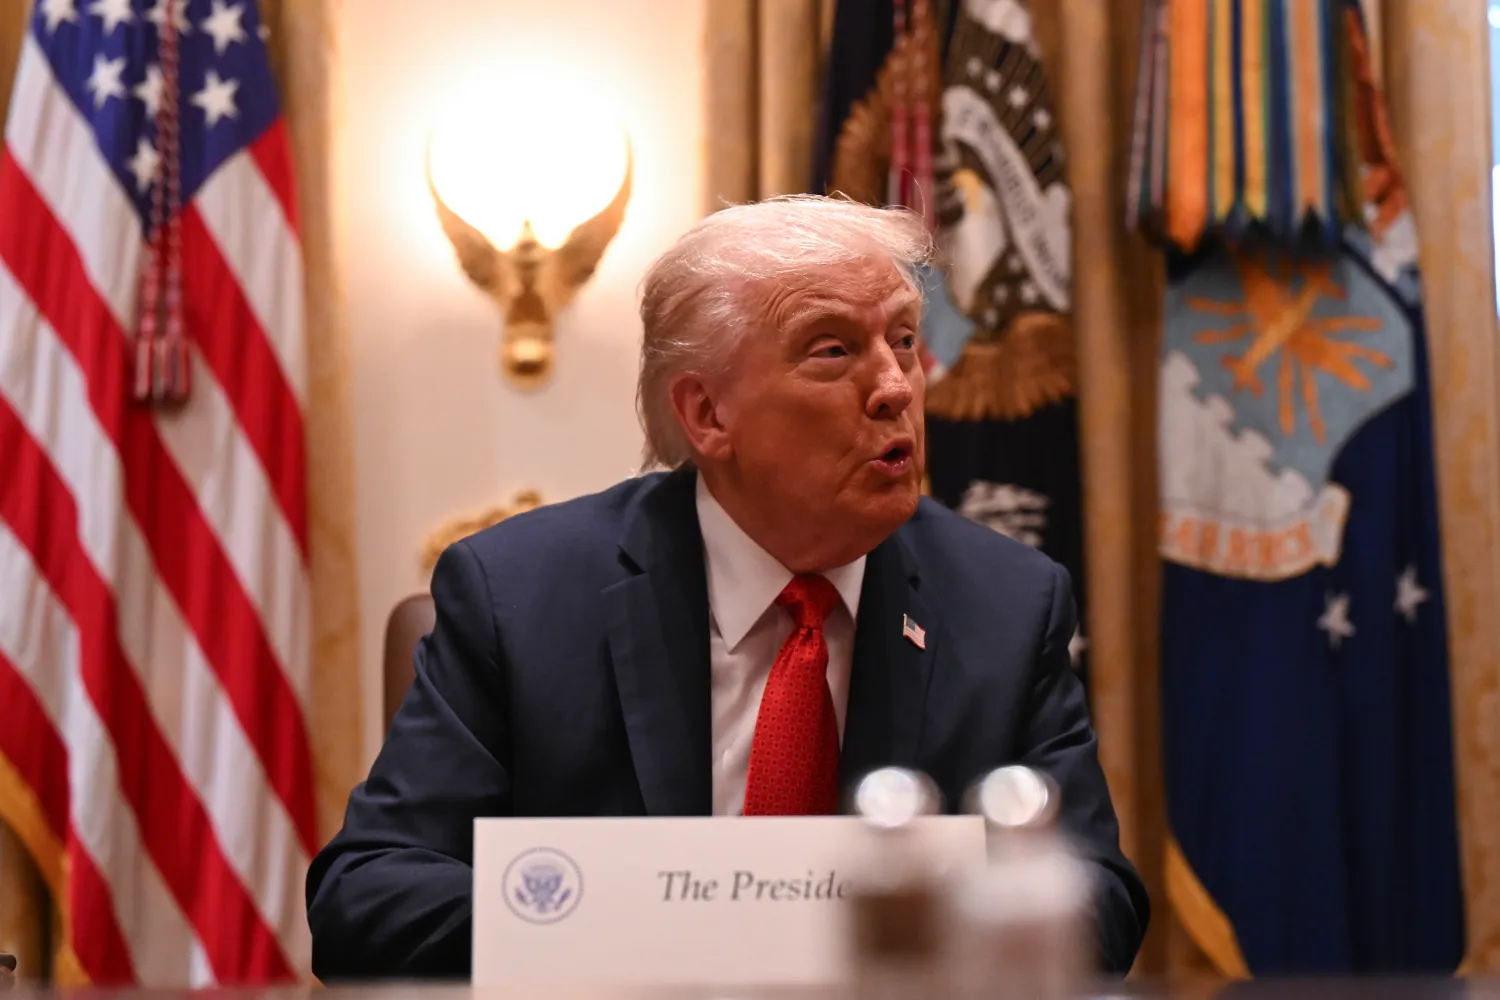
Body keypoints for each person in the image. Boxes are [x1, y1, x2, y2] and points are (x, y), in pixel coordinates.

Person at [305, 195, 1149, 980]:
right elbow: (366, 899)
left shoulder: (1006, 603)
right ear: (708, 416)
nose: (896, 387)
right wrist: (664, 919)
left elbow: (1097, 906)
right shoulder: (520, 596)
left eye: (901, 339)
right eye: (834, 350)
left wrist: (884, 918)